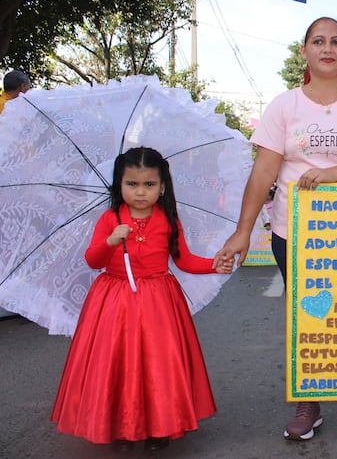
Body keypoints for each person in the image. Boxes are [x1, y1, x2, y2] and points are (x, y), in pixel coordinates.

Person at [213, 17, 337, 441]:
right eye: (318, 41)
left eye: (336, 41)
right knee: (306, 315)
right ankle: (308, 400)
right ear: (305, 51)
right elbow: (264, 171)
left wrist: (332, 175)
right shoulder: (284, 105)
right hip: (293, 231)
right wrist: (242, 231)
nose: (327, 48)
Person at [51, 147, 233, 452]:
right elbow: (93, 260)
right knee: (116, 364)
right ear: (119, 184)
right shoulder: (110, 218)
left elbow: (183, 260)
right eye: (131, 184)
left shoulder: (168, 219)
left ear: (162, 186)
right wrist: (111, 241)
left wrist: (214, 264)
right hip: (113, 301)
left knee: (158, 365)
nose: (139, 192)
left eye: (149, 185)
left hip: (158, 303)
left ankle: (160, 425)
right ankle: (120, 427)